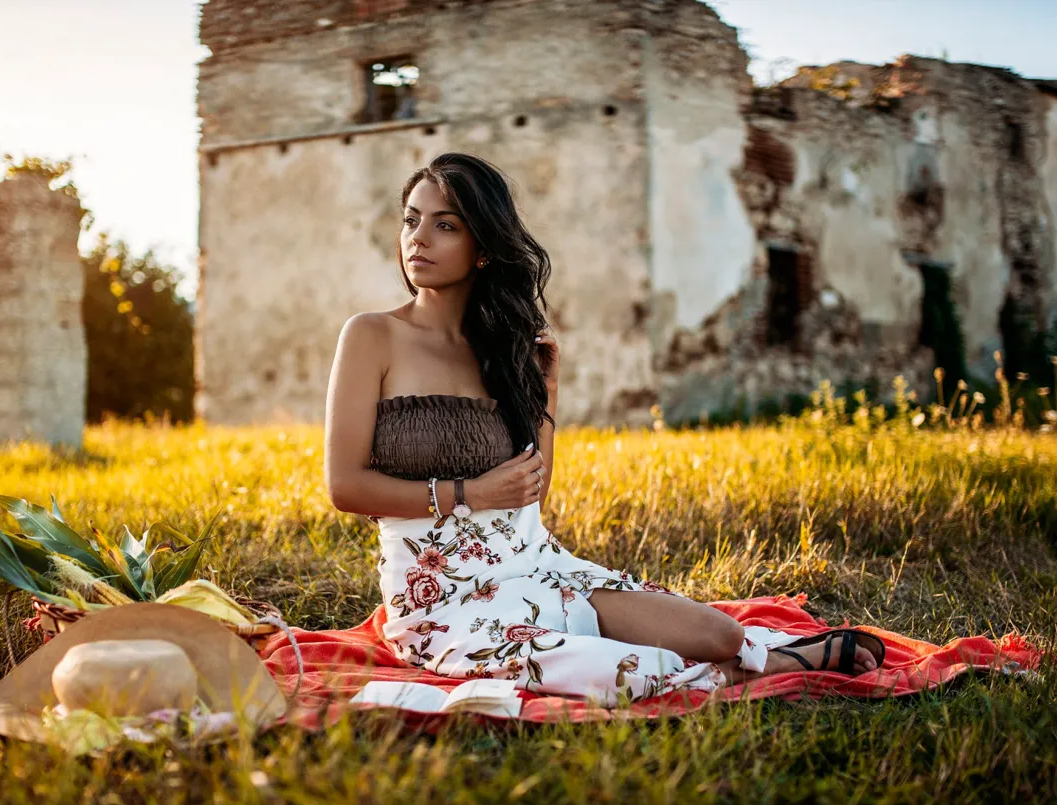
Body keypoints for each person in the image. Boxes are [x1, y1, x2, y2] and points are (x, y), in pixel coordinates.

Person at [322, 152, 884, 707]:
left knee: (722, 635)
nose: (417, 238)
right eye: (411, 219)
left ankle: (750, 658)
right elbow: (344, 486)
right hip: (443, 604)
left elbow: (532, 490)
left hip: (539, 568)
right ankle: (760, 669)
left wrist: (548, 395)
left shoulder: (504, 351)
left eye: (444, 225)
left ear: (484, 251)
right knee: (629, 671)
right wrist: (467, 495)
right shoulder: (371, 336)